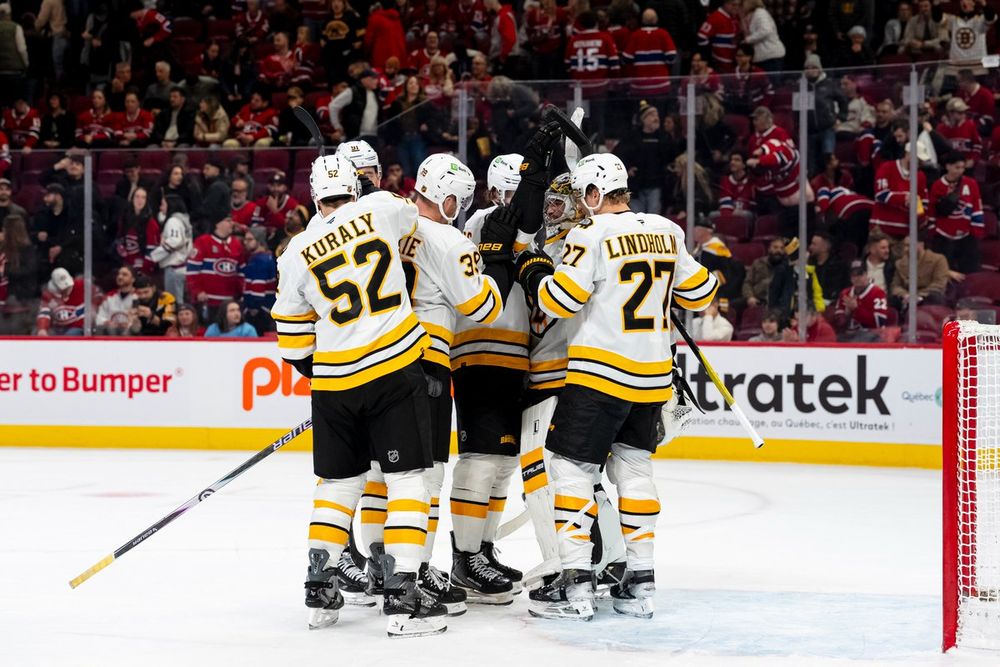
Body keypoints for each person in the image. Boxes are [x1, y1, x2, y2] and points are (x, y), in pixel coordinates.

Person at [515, 152, 718, 621]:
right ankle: (641, 583)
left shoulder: (592, 234)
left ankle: (576, 586)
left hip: (598, 377)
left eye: (584, 198)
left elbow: (560, 300)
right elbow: (702, 293)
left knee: (569, 472)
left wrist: (535, 271)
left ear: (592, 194)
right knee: (635, 473)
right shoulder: (668, 231)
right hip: (652, 379)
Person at [272, 151, 449, 637]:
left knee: (337, 486)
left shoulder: (295, 252)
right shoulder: (380, 208)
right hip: (394, 371)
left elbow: (292, 342)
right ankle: (403, 596)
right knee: (408, 481)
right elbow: (412, 213)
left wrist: (330, 372)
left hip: (333, 384)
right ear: (356, 186)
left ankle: (320, 584)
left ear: (313, 196)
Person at [445, 154, 531, 604]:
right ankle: (463, 559)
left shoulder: (527, 226)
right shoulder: (481, 224)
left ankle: (481, 550)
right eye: (511, 193)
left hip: (516, 356)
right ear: (494, 192)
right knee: (480, 461)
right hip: (480, 352)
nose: (518, 202)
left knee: (502, 465)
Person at [928, 150, 984, 274]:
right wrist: (933, 230)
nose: (960, 171)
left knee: (970, 273)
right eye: (956, 167)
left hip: (966, 237)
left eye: (962, 167)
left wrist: (976, 233)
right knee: (943, 273)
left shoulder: (971, 184)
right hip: (943, 237)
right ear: (948, 166)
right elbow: (931, 210)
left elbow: (977, 208)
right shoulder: (937, 185)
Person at [187, 216, 243, 324]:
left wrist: (239, 292)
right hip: (209, 302)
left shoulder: (236, 244)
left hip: (230, 303)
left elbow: (241, 271)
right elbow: (192, 269)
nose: (232, 223)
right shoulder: (203, 241)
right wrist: (197, 291)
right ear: (217, 224)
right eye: (228, 221)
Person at [870, 142, 929, 239]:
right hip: (882, 229)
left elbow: (924, 203)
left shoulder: (920, 176)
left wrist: (920, 217)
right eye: (919, 159)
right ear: (908, 154)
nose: (921, 163)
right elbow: (881, 195)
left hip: (905, 232)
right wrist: (905, 198)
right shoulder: (887, 167)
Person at [621, 9, 676, 102]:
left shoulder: (635, 35)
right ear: (656, 20)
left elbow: (626, 58)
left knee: (643, 115)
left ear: (642, 20)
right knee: (659, 115)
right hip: (660, 85)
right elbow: (671, 56)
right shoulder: (663, 34)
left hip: (640, 86)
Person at [150, 195, 194, 304]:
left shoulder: (173, 221)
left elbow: (175, 241)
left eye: (163, 204)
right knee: (182, 303)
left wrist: (154, 255)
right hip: (183, 267)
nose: (160, 208)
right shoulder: (184, 220)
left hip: (174, 268)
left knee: (174, 304)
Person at [0, 214, 38, 335]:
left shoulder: (26, 250)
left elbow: (29, 270)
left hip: (20, 301)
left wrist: (5, 271)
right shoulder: (3, 248)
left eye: (5, 230)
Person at [890, 232, 950, 309]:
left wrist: (918, 297)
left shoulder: (938, 260)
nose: (905, 249)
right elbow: (895, 285)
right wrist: (906, 295)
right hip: (907, 297)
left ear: (921, 245)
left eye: (909, 246)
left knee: (935, 296)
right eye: (905, 246)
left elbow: (939, 284)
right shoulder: (899, 263)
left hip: (929, 297)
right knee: (893, 299)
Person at [36, 268, 102, 336]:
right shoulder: (49, 293)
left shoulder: (82, 285)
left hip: (78, 328)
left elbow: (99, 296)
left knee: (71, 334)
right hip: (57, 328)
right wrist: (42, 328)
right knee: (37, 333)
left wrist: (93, 310)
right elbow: (44, 313)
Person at [833, 262, 888, 343]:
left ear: (866, 274)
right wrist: (847, 313)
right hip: (847, 335)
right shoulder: (845, 293)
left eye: (860, 274)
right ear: (850, 278)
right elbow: (839, 323)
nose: (857, 278)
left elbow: (879, 322)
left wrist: (856, 309)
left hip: (871, 335)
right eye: (853, 275)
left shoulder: (878, 293)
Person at [115, 186, 159, 278]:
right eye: (137, 196)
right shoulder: (124, 219)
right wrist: (124, 257)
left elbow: (152, 250)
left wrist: (143, 270)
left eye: (143, 197)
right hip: (127, 266)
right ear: (132, 198)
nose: (140, 200)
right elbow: (120, 240)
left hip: (143, 269)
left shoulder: (151, 223)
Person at [240, 226, 276, 334]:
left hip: (260, 312)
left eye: (250, 239)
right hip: (262, 309)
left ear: (259, 241)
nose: (245, 242)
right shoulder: (258, 258)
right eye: (245, 239)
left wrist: (253, 309)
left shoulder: (261, 260)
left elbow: (258, 290)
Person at [743, 237, 790, 309]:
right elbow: (747, 283)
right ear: (769, 249)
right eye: (775, 247)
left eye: (782, 248)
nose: (779, 250)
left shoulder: (786, 268)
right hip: (756, 299)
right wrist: (750, 297)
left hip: (776, 303)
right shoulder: (758, 263)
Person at [936, 97, 981, 171]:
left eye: (964, 112)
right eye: (960, 112)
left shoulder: (970, 125)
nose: (963, 115)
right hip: (949, 169)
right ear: (950, 113)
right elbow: (939, 151)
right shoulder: (941, 129)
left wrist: (973, 160)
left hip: (967, 167)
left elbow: (977, 145)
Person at [741, 0, 785, 73]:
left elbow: (765, 30)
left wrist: (748, 40)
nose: (741, 5)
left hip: (770, 57)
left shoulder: (760, 13)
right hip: (762, 57)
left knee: (771, 83)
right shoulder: (751, 15)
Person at [698, 0, 740, 73]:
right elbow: (701, 37)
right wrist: (710, 57)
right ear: (725, 4)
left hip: (734, 63)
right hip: (720, 64)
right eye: (733, 5)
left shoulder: (735, 17)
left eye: (738, 5)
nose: (736, 7)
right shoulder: (715, 17)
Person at [95, 265, 138, 336]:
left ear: (133, 279)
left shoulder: (137, 296)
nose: (120, 277)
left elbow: (139, 322)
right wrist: (107, 322)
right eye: (119, 274)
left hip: (130, 335)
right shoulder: (109, 296)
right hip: (111, 333)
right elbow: (100, 316)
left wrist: (129, 324)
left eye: (124, 275)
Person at [716, 152, 756, 217]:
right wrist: (731, 216)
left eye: (737, 160)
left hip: (745, 213)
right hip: (729, 213)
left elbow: (749, 202)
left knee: (746, 214)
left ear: (744, 165)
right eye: (731, 160)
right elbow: (725, 203)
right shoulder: (725, 180)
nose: (732, 162)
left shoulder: (751, 181)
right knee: (713, 215)